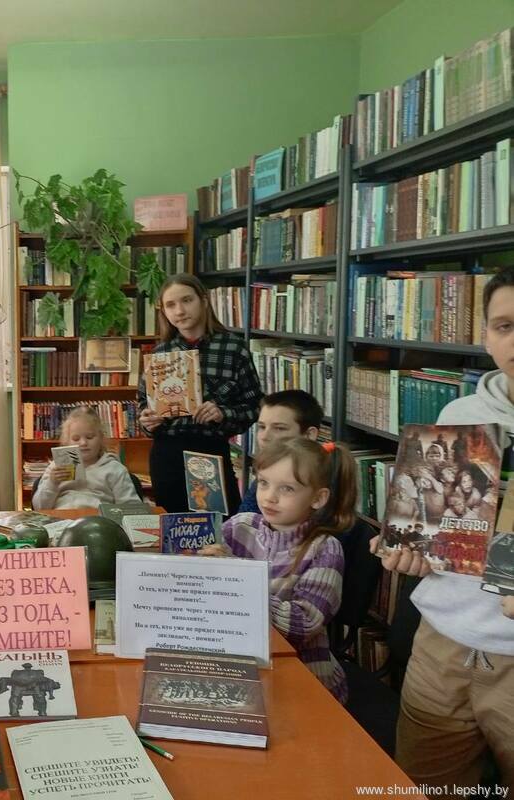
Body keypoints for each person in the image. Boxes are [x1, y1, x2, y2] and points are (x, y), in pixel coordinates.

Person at [371, 268, 514, 793]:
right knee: (424, 785)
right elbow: (441, 531)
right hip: (442, 644)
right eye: (505, 326)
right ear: (486, 336)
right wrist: (409, 546)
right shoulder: (462, 415)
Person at [202, 438, 351, 702]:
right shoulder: (240, 526)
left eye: (287, 488)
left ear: (318, 498)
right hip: (240, 664)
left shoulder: (324, 549)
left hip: (304, 681)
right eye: (263, 483)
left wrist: (238, 579)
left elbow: (304, 625)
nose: (270, 497)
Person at [138, 275, 263, 512]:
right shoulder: (159, 354)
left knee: (218, 524)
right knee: (172, 525)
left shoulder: (233, 348)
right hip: (167, 454)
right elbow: (143, 406)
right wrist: (147, 421)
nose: (179, 311)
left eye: (187, 300)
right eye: (170, 305)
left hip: (210, 449)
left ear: (204, 301)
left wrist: (223, 413)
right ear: (164, 311)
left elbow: (255, 406)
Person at [32, 406, 139, 509]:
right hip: (61, 518)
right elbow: (39, 507)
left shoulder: (115, 469)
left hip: (99, 518)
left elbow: (131, 508)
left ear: (101, 438)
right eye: (76, 439)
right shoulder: (56, 468)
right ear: (66, 442)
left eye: (89, 437)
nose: (83, 443)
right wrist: (52, 483)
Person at [238, 389, 323, 514]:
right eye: (262, 427)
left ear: (309, 435)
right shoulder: (269, 472)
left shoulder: (320, 483)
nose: (264, 437)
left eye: (279, 428)